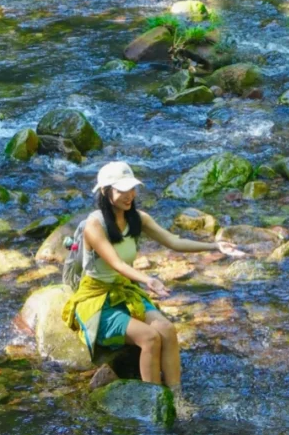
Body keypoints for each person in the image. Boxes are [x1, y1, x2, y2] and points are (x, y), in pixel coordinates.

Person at [61, 160, 219, 391]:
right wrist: (148, 280)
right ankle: (153, 400)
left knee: (167, 330)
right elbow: (115, 263)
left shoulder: (138, 218)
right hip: (97, 300)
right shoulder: (94, 226)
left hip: (125, 292)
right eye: (122, 190)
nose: (129, 195)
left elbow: (174, 241)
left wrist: (215, 247)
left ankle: (175, 396)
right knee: (149, 338)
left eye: (132, 189)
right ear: (105, 192)